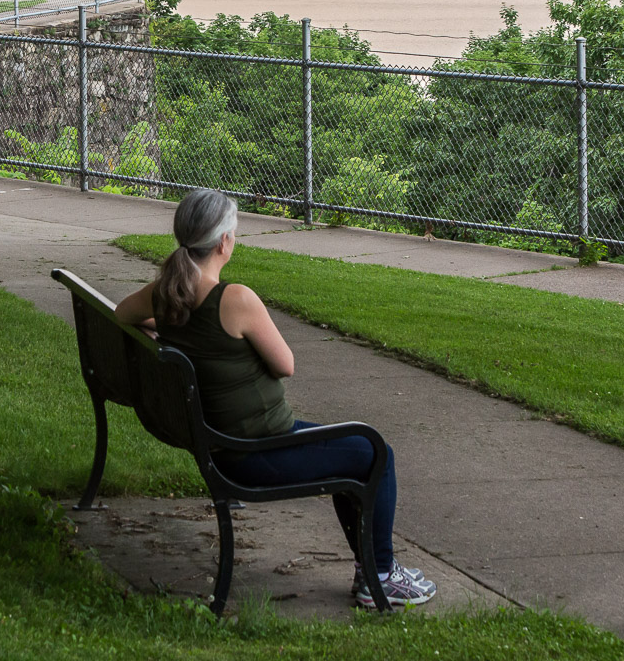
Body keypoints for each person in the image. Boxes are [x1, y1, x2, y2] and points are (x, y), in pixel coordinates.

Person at [114, 189, 437, 610]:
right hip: (254, 452)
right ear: (225, 242)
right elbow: (285, 364)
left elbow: (123, 314)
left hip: (225, 441)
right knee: (376, 452)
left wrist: (171, 332)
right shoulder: (235, 299)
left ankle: (373, 567)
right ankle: (379, 577)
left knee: (353, 450)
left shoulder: (166, 292)